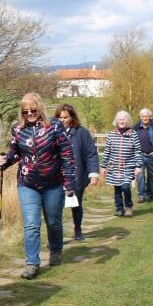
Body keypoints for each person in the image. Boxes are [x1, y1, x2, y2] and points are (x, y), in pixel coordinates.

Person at [0, 93, 75, 280]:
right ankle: (32, 263)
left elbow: (67, 154)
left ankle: (55, 250)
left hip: (53, 183)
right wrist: (4, 160)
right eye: (25, 110)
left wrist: (69, 181)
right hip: (27, 184)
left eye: (33, 110)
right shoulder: (18, 129)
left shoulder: (55, 126)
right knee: (31, 224)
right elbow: (14, 152)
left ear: (40, 108)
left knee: (53, 221)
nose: (30, 113)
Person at [56, 103, 99, 240]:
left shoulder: (82, 133)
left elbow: (91, 154)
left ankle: (78, 229)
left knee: (76, 203)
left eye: (65, 117)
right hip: (57, 176)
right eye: (60, 117)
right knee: (55, 207)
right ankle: (56, 236)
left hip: (76, 175)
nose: (62, 120)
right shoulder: (52, 132)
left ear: (72, 117)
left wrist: (93, 173)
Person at [100, 111, 142, 217]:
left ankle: (128, 207)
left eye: (123, 119)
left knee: (125, 187)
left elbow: (137, 151)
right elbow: (107, 151)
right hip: (115, 166)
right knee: (117, 188)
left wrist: (138, 166)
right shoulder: (112, 135)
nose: (121, 121)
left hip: (128, 166)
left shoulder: (133, 134)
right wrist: (103, 166)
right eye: (120, 119)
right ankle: (119, 208)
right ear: (117, 121)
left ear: (127, 121)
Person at [133, 108, 153, 202]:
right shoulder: (137, 126)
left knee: (151, 176)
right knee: (140, 175)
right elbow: (132, 138)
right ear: (140, 117)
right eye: (143, 116)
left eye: (147, 116)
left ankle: (150, 193)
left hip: (151, 155)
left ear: (150, 117)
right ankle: (141, 195)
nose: (145, 118)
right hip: (140, 154)